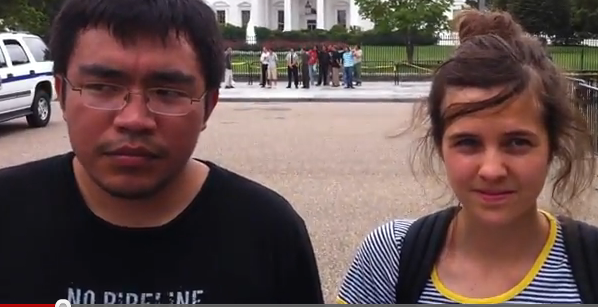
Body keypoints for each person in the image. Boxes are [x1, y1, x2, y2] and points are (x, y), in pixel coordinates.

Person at [0, 0, 324, 304]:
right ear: (62, 93)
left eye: (168, 92)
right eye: (102, 87)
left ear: (208, 107)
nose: (134, 120)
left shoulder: (269, 235)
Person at [337, 9, 597, 304]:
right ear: (440, 147)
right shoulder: (390, 258)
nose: (492, 170)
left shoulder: (589, 265)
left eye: (517, 142)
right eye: (468, 143)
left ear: (552, 146)